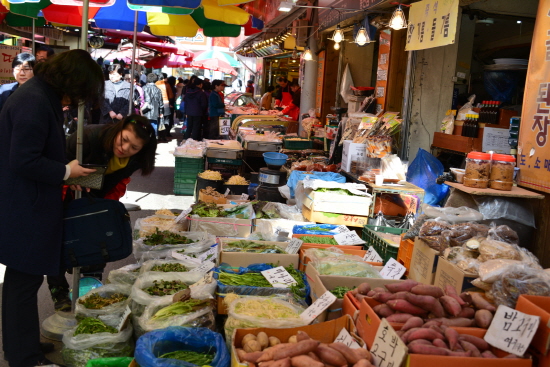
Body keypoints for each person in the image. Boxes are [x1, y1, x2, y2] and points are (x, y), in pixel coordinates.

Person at [0, 49, 104, 367]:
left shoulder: (40, 93)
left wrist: (65, 170)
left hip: (28, 199)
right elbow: (24, 159)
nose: (75, 101)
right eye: (79, 92)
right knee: (22, 280)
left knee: (26, 279)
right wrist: (64, 172)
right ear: (71, 81)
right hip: (23, 203)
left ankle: (25, 345)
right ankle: (23, 357)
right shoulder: (34, 99)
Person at [47, 115, 157, 313]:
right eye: (124, 140)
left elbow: (117, 182)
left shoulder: (134, 161)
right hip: (62, 191)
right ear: (118, 129)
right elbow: (56, 160)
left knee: (97, 235)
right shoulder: (88, 136)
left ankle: (90, 284)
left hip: (97, 194)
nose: (125, 149)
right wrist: (69, 176)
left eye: (134, 147)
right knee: (59, 239)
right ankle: (58, 290)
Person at [142, 73, 164, 139]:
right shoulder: (158, 90)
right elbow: (160, 102)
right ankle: (153, 140)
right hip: (155, 111)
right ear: (156, 80)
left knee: (144, 126)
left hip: (144, 111)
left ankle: (145, 139)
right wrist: (161, 112)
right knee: (154, 125)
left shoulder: (143, 88)